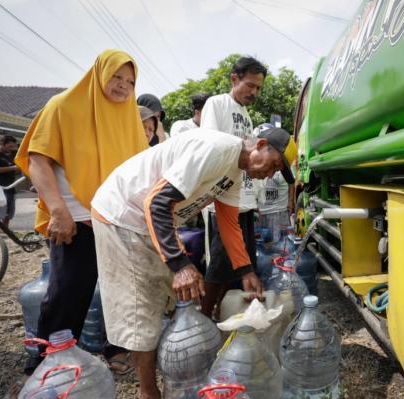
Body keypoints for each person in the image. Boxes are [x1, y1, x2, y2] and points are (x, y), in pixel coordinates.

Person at [91, 126, 297, 399]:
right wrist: (180, 265)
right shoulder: (217, 149)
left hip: (149, 223)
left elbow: (228, 221)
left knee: (168, 299)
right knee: (141, 307)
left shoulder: (234, 172)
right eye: (273, 165)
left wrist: (246, 270)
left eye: (274, 173)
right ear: (260, 144)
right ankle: (148, 392)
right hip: (123, 216)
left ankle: (174, 377)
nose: (268, 175)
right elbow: (157, 201)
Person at [14, 49, 148, 375]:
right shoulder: (63, 107)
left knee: (120, 290)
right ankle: (46, 362)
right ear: (99, 73)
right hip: (75, 221)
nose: (122, 86)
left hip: (117, 223)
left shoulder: (129, 117)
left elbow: (139, 172)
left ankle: (113, 349)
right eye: (116, 76)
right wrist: (58, 210)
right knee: (67, 293)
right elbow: (38, 160)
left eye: (130, 81)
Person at [199, 56, 274, 319]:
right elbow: (210, 146)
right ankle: (205, 316)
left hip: (243, 200)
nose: (254, 92)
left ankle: (226, 314)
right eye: (250, 85)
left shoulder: (246, 116)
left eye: (258, 88)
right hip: (220, 199)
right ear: (234, 79)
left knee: (242, 262)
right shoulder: (216, 104)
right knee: (219, 264)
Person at [254, 125, 295, 243]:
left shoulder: (284, 166)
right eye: (275, 164)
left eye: (277, 167)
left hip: (278, 211)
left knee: (279, 246)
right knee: (262, 245)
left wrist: (290, 203)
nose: (270, 174)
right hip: (262, 211)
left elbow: (291, 182)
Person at [0, 135, 20, 228]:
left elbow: (16, 169)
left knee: (10, 211)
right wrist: (13, 168)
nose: (12, 149)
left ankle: (5, 230)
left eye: (13, 147)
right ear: (2, 144)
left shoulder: (12, 154)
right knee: (0, 210)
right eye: (9, 146)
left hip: (10, 186)